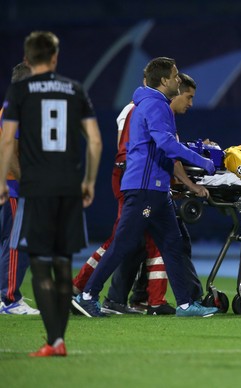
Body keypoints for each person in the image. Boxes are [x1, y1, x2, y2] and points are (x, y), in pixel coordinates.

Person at [71, 57, 218, 318]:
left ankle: (185, 304)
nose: (177, 80)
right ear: (163, 81)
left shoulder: (154, 104)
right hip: (144, 188)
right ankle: (87, 295)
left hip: (156, 189)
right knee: (123, 243)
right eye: (174, 76)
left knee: (172, 243)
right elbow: (167, 145)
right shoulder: (154, 104)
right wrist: (202, 161)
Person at [0, 31, 102, 356]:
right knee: (62, 263)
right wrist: (88, 181)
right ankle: (58, 339)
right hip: (69, 187)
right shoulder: (75, 89)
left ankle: (54, 340)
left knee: (39, 264)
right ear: (55, 57)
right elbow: (96, 142)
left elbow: (6, 141)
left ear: (28, 59)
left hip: (34, 188)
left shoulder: (19, 91)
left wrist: (3, 179)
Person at [0, 62, 40, 315]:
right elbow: (12, 151)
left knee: (9, 241)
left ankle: (5, 295)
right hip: (15, 186)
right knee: (18, 242)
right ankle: (10, 298)